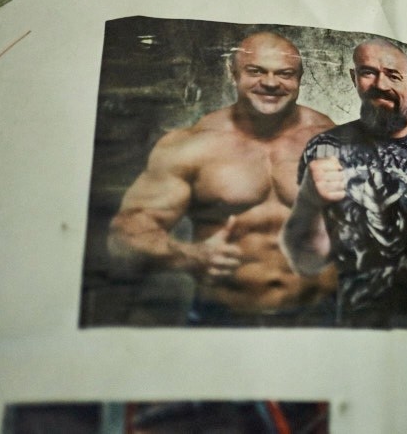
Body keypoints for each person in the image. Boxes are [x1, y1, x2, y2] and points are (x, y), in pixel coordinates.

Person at [108, 32, 337, 325]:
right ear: (233, 73)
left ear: (300, 78)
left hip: (319, 316)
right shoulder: (193, 145)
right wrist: (189, 255)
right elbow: (124, 234)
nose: (270, 83)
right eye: (256, 71)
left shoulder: (333, 140)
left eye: (285, 74)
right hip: (223, 317)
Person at [280, 39, 407, 329]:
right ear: (354, 78)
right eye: (368, 72)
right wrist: (309, 200)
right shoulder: (325, 149)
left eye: (393, 75)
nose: (381, 84)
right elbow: (307, 262)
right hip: (360, 324)